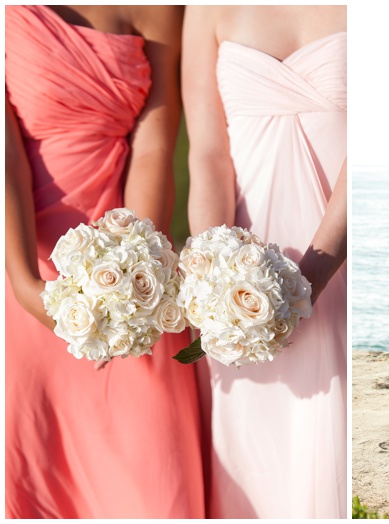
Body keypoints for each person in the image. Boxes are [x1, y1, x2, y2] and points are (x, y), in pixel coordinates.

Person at [5, 6, 204, 518]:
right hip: (22, 257)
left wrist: (135, 278)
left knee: (153, 480)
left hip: (133, 265)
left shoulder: (160, 8)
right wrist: (27, 284)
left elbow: (155, 139)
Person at [181, 5, 347, 518]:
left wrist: (310, 280)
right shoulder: (204, 8)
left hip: (339, 258)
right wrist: (216, 276)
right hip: (241, 275)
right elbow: (208, 152)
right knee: (255, 450)